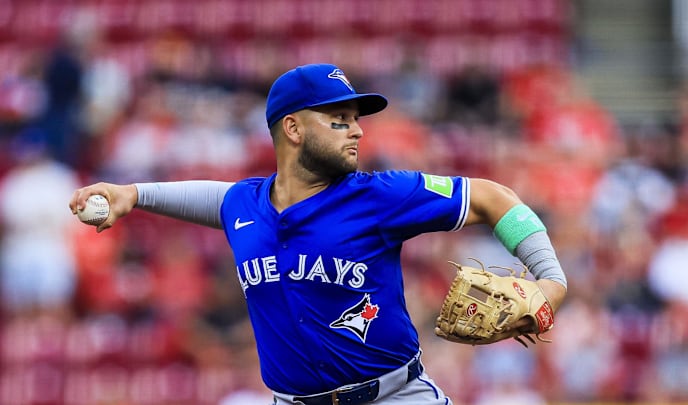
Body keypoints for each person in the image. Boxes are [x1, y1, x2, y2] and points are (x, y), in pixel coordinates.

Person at [69, 63, 567, 405]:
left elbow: (493, 197)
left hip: (393, 395)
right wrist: (132, 194)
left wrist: (550, 281)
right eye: (339, 120)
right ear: (293, 129)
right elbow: (215, 200)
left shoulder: (379, 195)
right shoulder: (246, 203)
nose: (357, 131)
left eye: (355, 120)